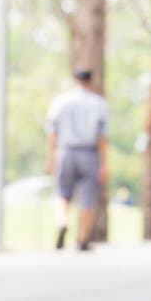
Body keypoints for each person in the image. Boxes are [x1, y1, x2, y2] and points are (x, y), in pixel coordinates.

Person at [46, 69, 109, 251]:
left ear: (74, 81)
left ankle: (62, 222)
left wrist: (51, 157)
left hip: (64, 151)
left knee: (61, 193)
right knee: (87, 197)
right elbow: (102, 138)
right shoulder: (98, 104)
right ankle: (82, 239)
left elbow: (52, 133)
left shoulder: (60, 102)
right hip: (89, 153)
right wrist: (104, 163)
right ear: (91, 82)